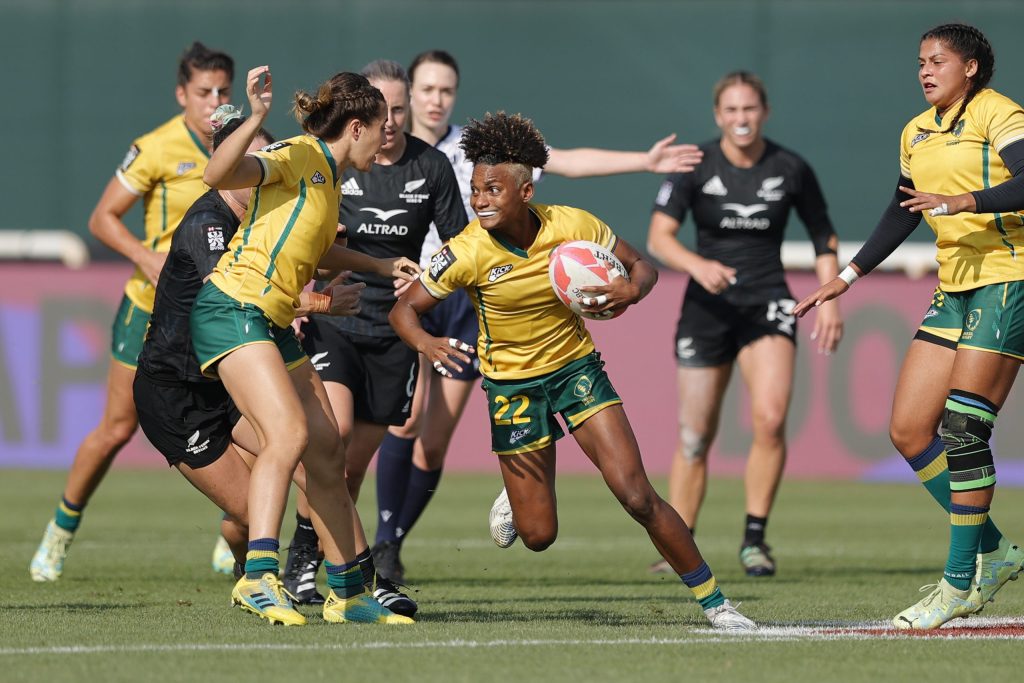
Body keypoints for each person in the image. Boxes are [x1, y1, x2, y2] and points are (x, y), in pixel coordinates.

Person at [389, 111, 757, 632]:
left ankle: (716, 604)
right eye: (476, 190)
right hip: (512, 389)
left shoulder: (574, 226)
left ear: (525, 189)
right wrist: (426, 343)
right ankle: (518, 494)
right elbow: (403, 311)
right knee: (539, 535)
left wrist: (633, 289)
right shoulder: (467, 250)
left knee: (637, 494)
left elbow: (642, 267)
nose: (481, 200)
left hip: (575, 370)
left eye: (493, 189)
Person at [364, 49, 708, 584]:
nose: (435, 101)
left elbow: (566, 161)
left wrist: (644, 161)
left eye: (444, 91)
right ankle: (388, 539)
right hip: (436, 283)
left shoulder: (483, 151)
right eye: (426, 91)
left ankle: (405, 535)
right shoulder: (389, 157)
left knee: (435, 439)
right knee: (406, 424)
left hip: (481, 306)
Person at [794, 23, 1024, 630]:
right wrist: (846, 276)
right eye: (920, 62)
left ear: (970, 67)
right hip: (955, 286)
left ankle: (957, 586)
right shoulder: (915, 131)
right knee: (909, 430)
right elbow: (901, 212)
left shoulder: (1001, 115)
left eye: (938, 61)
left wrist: (964, 202)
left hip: (1009, 277)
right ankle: (998, 552)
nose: (924, 71)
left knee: (965, 429)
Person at [194, 65, 417, 626]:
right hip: (231, 310)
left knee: (325, 453)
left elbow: (315, 257)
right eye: (382, 122)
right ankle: (259, 578)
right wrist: (257, 117)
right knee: (289, 433)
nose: (390, 132)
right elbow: (215, 174)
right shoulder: (300, 153)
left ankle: (349, 593)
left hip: (266, 321)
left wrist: (377, 264)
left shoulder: (330, 179)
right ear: (357, 127)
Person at [31, 41, 234, 582]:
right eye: (203, 92)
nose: (214, 102)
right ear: (181, 94)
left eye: (222, 91)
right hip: (151, 308)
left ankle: (237, 528)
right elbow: (102, 219)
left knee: (245, 417)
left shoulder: (241, 147)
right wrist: (147, 258)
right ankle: (60, 530)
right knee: (117, 427)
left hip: (219, 307)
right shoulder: (156, 148)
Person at [278, 59, 466, 602]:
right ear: (360, 115)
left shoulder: (430, 167)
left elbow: (458, 248)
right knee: (328, 440)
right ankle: (301, 560)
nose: (390, 120)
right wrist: (302, 297)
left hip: (396, 331)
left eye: (399, 109)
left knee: (352, 467)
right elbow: (301, 235)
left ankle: (321, 556)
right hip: (336, 320)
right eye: (380, 109)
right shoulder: (335, 164)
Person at [645, 71, 843, 577]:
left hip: (768, 303)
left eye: (749, 109)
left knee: (771, 419)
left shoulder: (791, 167)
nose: (741, 119)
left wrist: (831, 299)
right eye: (731, 111)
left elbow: (824, 237)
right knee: (694, 436)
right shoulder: (694, 165)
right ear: (718, 116)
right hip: (706, 310)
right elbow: (659, 238)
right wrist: (698, 265)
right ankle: (681, 543)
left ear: (765, 112)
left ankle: (755, 538)